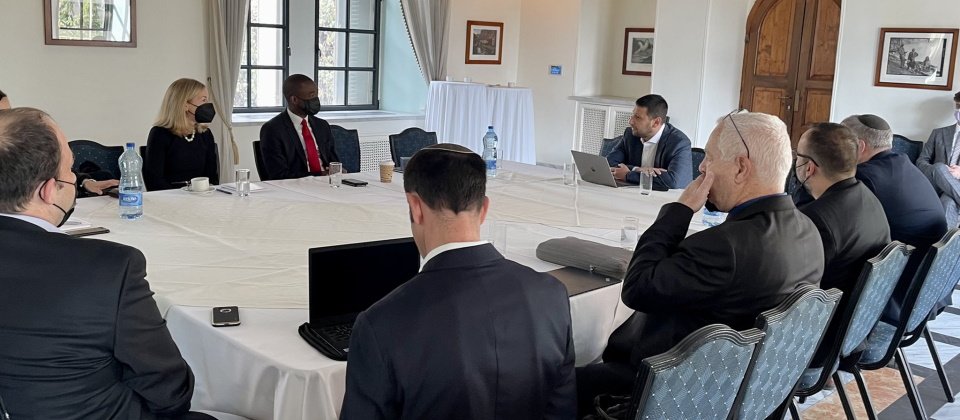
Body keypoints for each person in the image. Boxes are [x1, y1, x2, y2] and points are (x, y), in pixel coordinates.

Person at [577, 112, 823, 415]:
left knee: (545, 379)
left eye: (709, 157)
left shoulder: (724, 246)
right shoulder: (808, 231)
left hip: (669, 392)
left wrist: (679, 211)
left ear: (741, 168)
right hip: (742, 392)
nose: (702, 167)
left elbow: (637, 288)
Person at [341, 144, 576, 419]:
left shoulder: (380, 323)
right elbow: (562, 412)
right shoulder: (551, 294)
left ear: (415, 207)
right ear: (484, 208)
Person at [0, 108, 203, 419]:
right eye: (70, 169)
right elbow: (170, 392)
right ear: (48, 190)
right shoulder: (109, 268)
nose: (74, 178)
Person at [793, 122, 891, 367]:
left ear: (808, 167)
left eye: (798, 155)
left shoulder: (817, 219)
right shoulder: (867, 196)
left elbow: (790, 290)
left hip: (818, 341)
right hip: (856, 330)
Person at [841, 114, 948, 323]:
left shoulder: (865, 176)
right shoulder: (904, 163)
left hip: (897, 298)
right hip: (929, 291)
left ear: (860, 146)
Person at [0, 89, 118, 196]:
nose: (8, 119)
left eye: (9, 113)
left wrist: (86, 182)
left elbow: (53, 172)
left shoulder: (16, 145)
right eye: (2, 114)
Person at [259, 74, 340, 181]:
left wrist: (339, 171)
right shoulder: (272, 130)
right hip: (296, 186)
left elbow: (334, 162)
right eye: (311, 95)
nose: (316, 100)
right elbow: (279, 175)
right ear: (294, 99)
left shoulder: (322, 125)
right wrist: (320, 175)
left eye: (316, 94)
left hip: (328, 184)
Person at [144, 78, 220, 191]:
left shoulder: (205, 133)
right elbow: (154, 181)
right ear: (185, 105)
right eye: (203, 100)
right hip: (169, 197)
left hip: (201, 196)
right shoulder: (159, 134)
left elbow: (212, 177)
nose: (208, 105)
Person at [606, 94, 693, 189]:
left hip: (661, 196)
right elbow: (608, 163)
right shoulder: (630, 134)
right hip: (631, 192)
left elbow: (674, 182)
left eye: (637, 117)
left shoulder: (679, 143)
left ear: (656, 122)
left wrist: (628, 175)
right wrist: (638, 169)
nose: (630, 121)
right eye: (633, 115)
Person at [917, 91, 960, 229]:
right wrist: (940, 171)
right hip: (934, 182)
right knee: (939, 167)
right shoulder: (938, 133)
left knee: (948, 203)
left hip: (954, 189)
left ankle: (943, 243)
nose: (959, 111)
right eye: (958, 106)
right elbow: (921, 161)